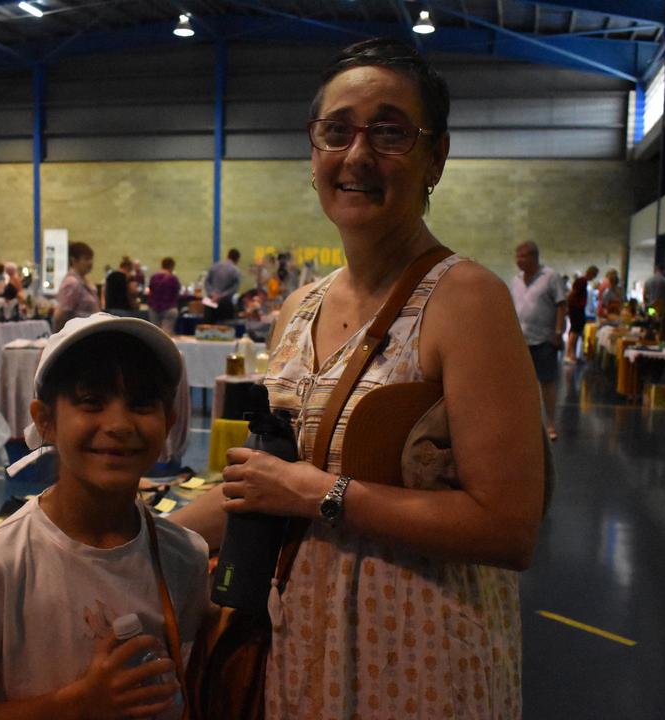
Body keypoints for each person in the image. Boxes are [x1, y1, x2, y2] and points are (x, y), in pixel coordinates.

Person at [173, 38, 544, 719]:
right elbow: (265, 484)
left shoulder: (465, 299)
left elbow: (509, 527)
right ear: (313, 151)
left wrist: (322, 494)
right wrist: (140, 539)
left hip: (419, 654)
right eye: (336, 131)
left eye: (391, 132)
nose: (357, 155)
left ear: (437, 157)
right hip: (302, 643)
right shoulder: (298, 308)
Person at [0, 314, 211, 720]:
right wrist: (79, 704)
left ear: (168, 423)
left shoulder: (184, 557)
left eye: (141, 404)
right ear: (45, 420)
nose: (119, 425)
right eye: (92, 402)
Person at [512, 241, 567, 440]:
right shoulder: (516, 280)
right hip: (521, 341)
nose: (518, 261)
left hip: (544, 339)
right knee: (522, 385)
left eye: (522, 256)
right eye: (517, 256)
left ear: (534, 257)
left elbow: (561, 305)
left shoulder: (551, 277)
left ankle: (550, 424)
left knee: (547, 383)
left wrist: (558, 332)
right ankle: (524, 423)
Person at [53, 242, 100, 332]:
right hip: (77, 334)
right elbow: (60, 316)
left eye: (91, 259)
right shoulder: (72, 283)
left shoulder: (85, 282)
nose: (90, 263)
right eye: (86, 259)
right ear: (74, 260)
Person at [565, 265, 598, 364]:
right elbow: (572, 294)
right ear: (591, 273)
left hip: (577, 309)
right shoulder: (582, 281)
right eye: (594, 275)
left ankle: (573, 354)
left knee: (575, 332)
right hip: (576, 309)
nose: (594, 278)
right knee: (574, 332)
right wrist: (568, 306)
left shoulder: (583, 281)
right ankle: (568, 354)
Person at [202, 248, 240, 322]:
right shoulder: (235, 271)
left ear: (227, 256)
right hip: (225, 304)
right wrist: (220, 296)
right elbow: (234, 289)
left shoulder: (215, 266)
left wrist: (212, 294)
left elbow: (206, 282)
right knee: (224, 329)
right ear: (237, 259)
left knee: (207, 327)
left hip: (210, 301)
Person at [148, 257, 181, 334]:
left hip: (154, 308)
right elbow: (177, 293)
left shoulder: (154, 277)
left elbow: (150, 291)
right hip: (169, 308)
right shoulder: (173, 278)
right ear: (172, 266)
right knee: (166, 334)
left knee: (154, 333)